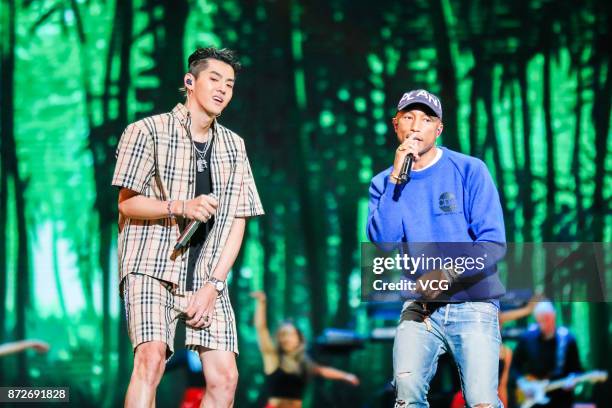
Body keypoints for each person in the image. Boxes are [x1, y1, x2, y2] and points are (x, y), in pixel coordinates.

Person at [112, 47, 264, 408]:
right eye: (214, 79)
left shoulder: (234, 146)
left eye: (229, 84)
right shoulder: (147, 131)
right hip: (152, 267)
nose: (223, 89)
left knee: (225, 377)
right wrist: (180, 206)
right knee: (151, 359)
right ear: (190, 81)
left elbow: (239, 218)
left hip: (207, 276)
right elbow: (127, 202)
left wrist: (214, 283)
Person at [366, 89, 507, 407]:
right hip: (420, 307)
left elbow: (493, 244)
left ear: (438, 129)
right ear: (396, 124)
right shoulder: (383, 183)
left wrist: (446, 275)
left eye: (427, 119)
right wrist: (395, 180)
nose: (417, 125)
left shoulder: (470, 170)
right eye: (409, 117)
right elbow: (384, 240)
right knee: (407, 396)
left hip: (474, 301)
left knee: (481, 399)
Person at [251, 291, 359, 408]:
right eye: (283, 335)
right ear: (279, 339)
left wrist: (346, 376)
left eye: (291, 334)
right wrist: (261, 303)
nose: (287, 338)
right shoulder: (273, 358)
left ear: (299, 338)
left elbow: (322, 371)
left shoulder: (304, 362)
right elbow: (261, 329)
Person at [512, 301, 583, 408]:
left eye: (548, 318)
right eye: (541, 319)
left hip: (561, 398)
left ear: (554, 315)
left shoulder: (568, 339)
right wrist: (523, 383)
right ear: (536, 319)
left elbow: (577, 369)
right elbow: (514, 367)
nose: (545, 323)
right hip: (533, 398)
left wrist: (573, 379)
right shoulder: (527, 338)